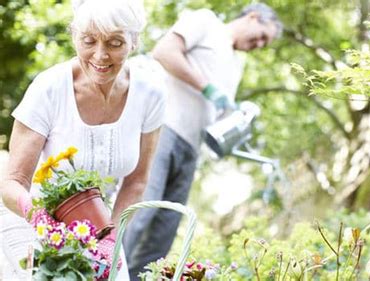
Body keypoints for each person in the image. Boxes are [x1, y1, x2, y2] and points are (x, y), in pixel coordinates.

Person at [0, 0, 166, 279]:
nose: (100, 56)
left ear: (134, 42)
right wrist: (42, 220)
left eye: (114, 43)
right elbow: (11, 184)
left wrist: (110, 238)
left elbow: (137, 182)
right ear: (75, 37)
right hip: (31, 223)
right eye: (89, 41)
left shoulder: (150, 95)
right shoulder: (49, 89)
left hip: (101, 228)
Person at [123, 3, 283, 279]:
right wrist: (206, 86)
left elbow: (218, 111)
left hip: (191, 148)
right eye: (260, 36)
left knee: (165, 229)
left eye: (264, 44)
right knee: (142, 214)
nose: (258, 44)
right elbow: (164, 52)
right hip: (162, 129)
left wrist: (236, 114)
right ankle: (105, 273)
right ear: (253, 17)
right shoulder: (206, 22)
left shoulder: (237, 63)